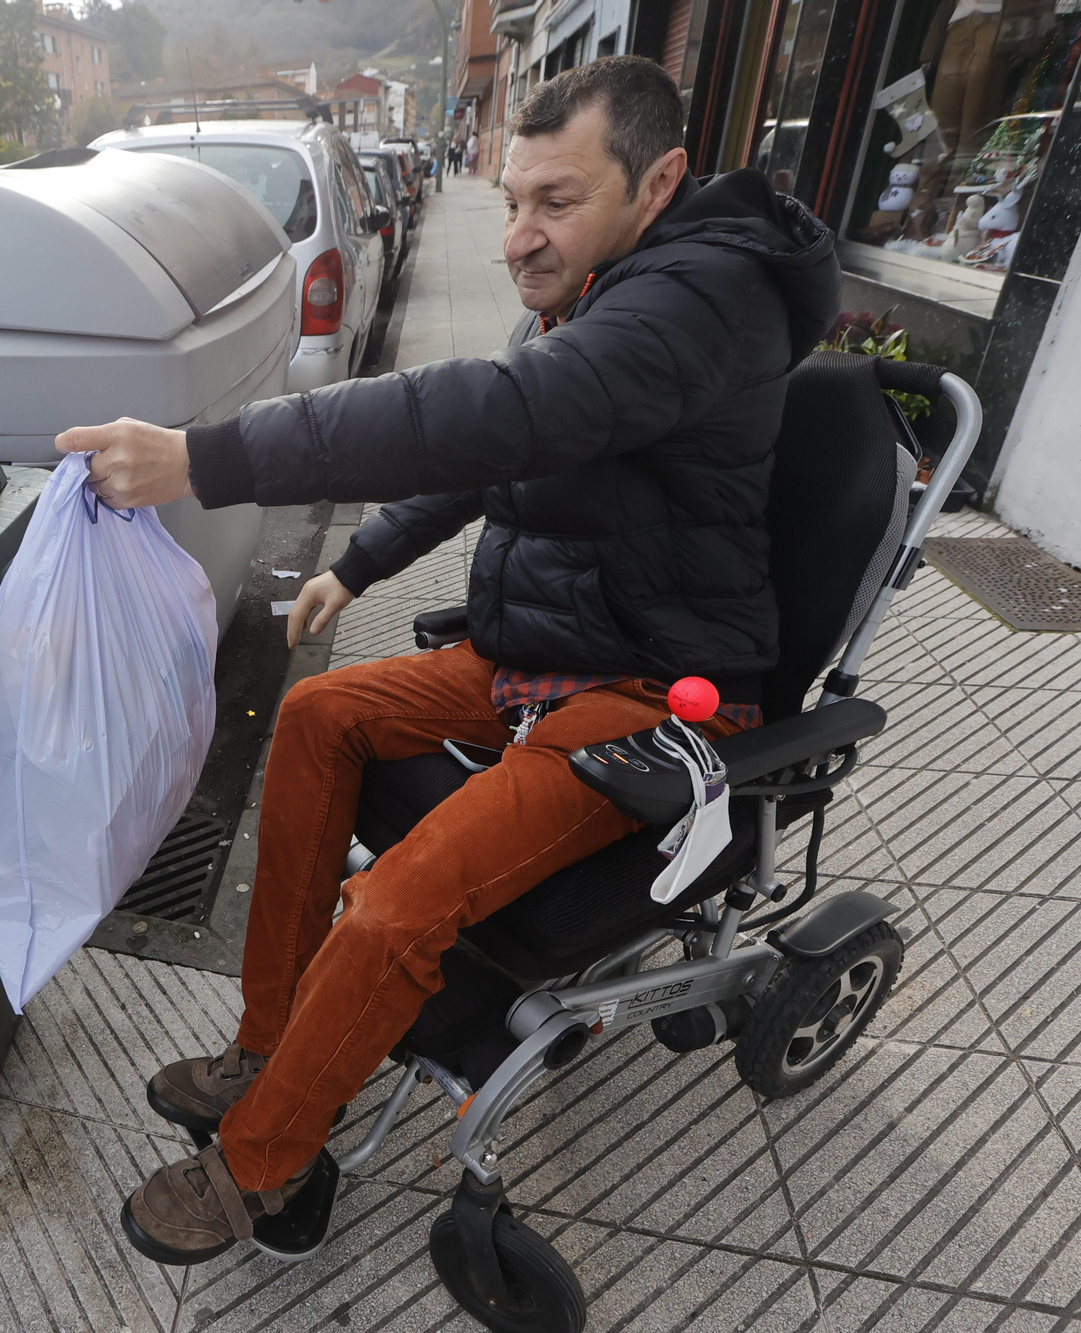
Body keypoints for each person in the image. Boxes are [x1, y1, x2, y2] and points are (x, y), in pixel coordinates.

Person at [54, 55, 840, 1265]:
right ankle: (269, 1046)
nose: (520, 236)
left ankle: (261, 1167)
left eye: (555, 202)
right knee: (319, 717)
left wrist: (204, 460)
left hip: (650, 694)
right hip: (547, 651)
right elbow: (491, 461)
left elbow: (486, 415)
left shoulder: (697, 304)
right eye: (512, 197)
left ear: (661, 179)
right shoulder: (602, 282)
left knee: (390, 906)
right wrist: (356, 565)